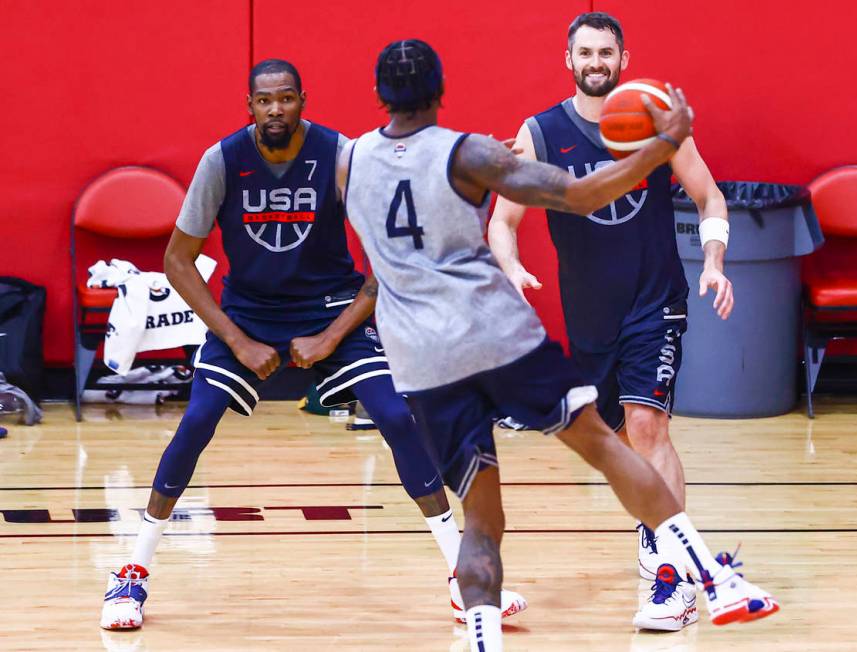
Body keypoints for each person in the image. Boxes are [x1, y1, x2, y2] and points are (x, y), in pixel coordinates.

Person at [342, 39, 778, 651]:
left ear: (378, 95)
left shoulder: (349, 161)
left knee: (483, 519)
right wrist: (660, 144)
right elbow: (577, 196)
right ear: (441, 91)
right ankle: (716, 577)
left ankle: (486, 640)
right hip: (498, 335)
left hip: (424, 358)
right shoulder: (471, 153)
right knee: (605, 444)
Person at [99, 59, 525, 631]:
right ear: (249, 106)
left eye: (286, 99)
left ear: (303, 100)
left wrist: (331, 335)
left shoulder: (341, 156)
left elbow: (395, 245)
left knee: (398, 417)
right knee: (196, 419)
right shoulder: (222, 161)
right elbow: (177, 259)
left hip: (330, 310)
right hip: (248, 316)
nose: (276, 109)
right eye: (264, 101)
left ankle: (461, 575)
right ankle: (130, 572)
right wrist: (237, 339)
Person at [488, 12, 734, 631]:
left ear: (623, 58)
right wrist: (511, 268)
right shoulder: (541, 133)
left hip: (656, 302)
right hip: (589, 319)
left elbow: (708, 195)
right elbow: (502, 221)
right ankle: (669, 551)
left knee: (650, 431)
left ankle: (669, 584)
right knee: (624, 445)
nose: (596, 62)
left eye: (606, 52)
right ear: (568, 61)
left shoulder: (653, 116)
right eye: (585, 53)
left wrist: (713, 259)